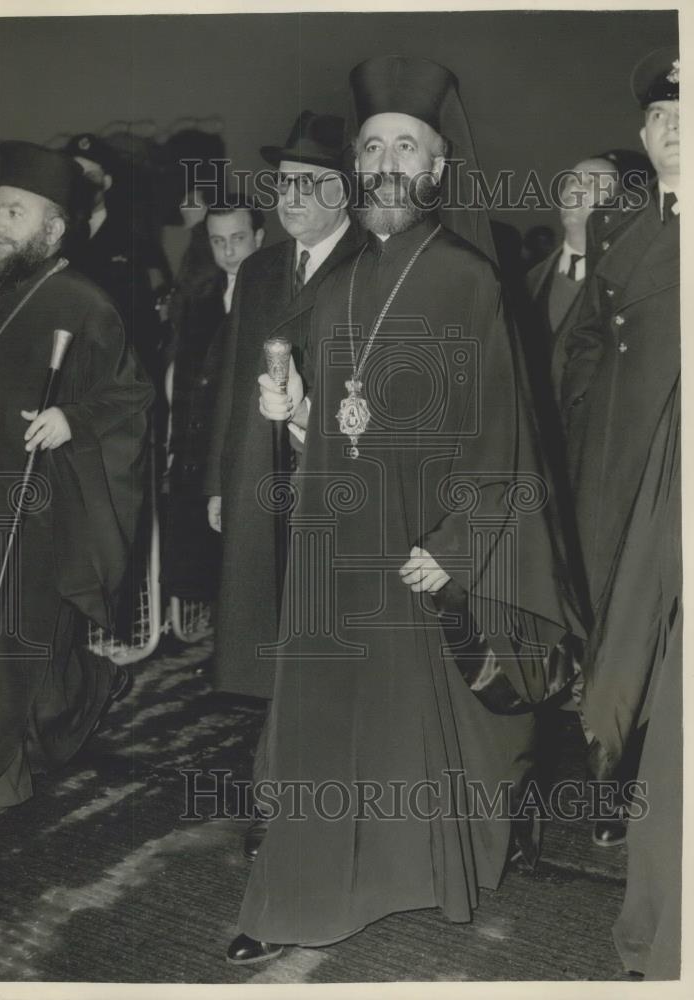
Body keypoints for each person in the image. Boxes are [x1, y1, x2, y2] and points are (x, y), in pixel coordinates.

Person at [227, 55, 582, 964]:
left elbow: (504, 433)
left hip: (418, 543)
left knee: (414, 729)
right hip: (333, 541)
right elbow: (340, 432)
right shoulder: (339, 284)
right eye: (373, 145)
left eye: (406, 146)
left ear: (434, 169)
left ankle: (402, 876)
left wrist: (456, 546)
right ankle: (292, 900)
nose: (387, 160)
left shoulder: (469, 278)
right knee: (318, 718)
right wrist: (296, 412)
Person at [0, 141, 153, 837]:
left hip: (39, 502)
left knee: (8, 645)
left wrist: (70, 418)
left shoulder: (87, 305)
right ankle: (85, 689)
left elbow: (131, 400)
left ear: (52, 228)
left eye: (13, 212)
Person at [561, 47, 680, 970]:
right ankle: (609, 781)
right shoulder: (622, 230)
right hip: (621, 470)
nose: (671, 123)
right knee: (615, 649)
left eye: (688, 110)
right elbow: (595, 353)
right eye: (657, 116)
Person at [204, 111, 363, 702]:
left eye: (309, 183)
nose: (290, 197)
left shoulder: (373, 262)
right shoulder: (258, 269)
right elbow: (232, 378)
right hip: (257, 467)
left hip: (331, 469)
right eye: (284, 182)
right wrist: (219, 484)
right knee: (262, 611)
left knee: (327, 617)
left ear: (345, 190)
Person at [163, 202, 264, 603]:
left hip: (250, 452)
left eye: (238, 239)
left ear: (259, 237)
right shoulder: (200, 301)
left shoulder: (281, 295)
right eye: (218, 241)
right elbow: (185, 385)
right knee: (208, 572)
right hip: (203, 456)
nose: (228, 251)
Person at [63, 133, 163, 383]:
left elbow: (150, 316)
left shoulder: (133, 237)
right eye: (76, 174)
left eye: (91, 175)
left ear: (106, 182)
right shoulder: (61, 237)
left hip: (119, 369)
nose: (83, 184)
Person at [525, 157, 618, 401]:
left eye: (593, 182)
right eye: (571, 180)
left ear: (617, 205)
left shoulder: (624, 288)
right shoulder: (521, 284)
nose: (577, 187)